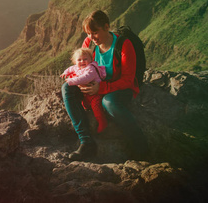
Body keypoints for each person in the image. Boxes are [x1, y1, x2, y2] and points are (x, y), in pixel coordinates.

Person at [61, 10, 148, 161]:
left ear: (107, 27)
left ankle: (140, 146)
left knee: (109, 102)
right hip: (95, 85)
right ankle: (86, 142)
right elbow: (81, 68)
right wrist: (80, 82)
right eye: (88, 33)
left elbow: (128, 80)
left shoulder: (123, 45)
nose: (91, 38)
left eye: (95, 32)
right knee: (67, 88)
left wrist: (100, 88)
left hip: (118, 87)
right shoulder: (89, 44)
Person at [60, 48, 108, 133]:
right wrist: (65, 73)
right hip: (86, 93)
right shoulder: (77, 67)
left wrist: (72, 81)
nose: (82, 61)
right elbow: (71, 69)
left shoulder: (91, 68)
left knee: (96, 107)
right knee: (85, 105)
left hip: (95, 93)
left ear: (91, 59)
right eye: (79, 60)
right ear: (75, 61)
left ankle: (102, 122)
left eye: (85, 59)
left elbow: (85, 78)